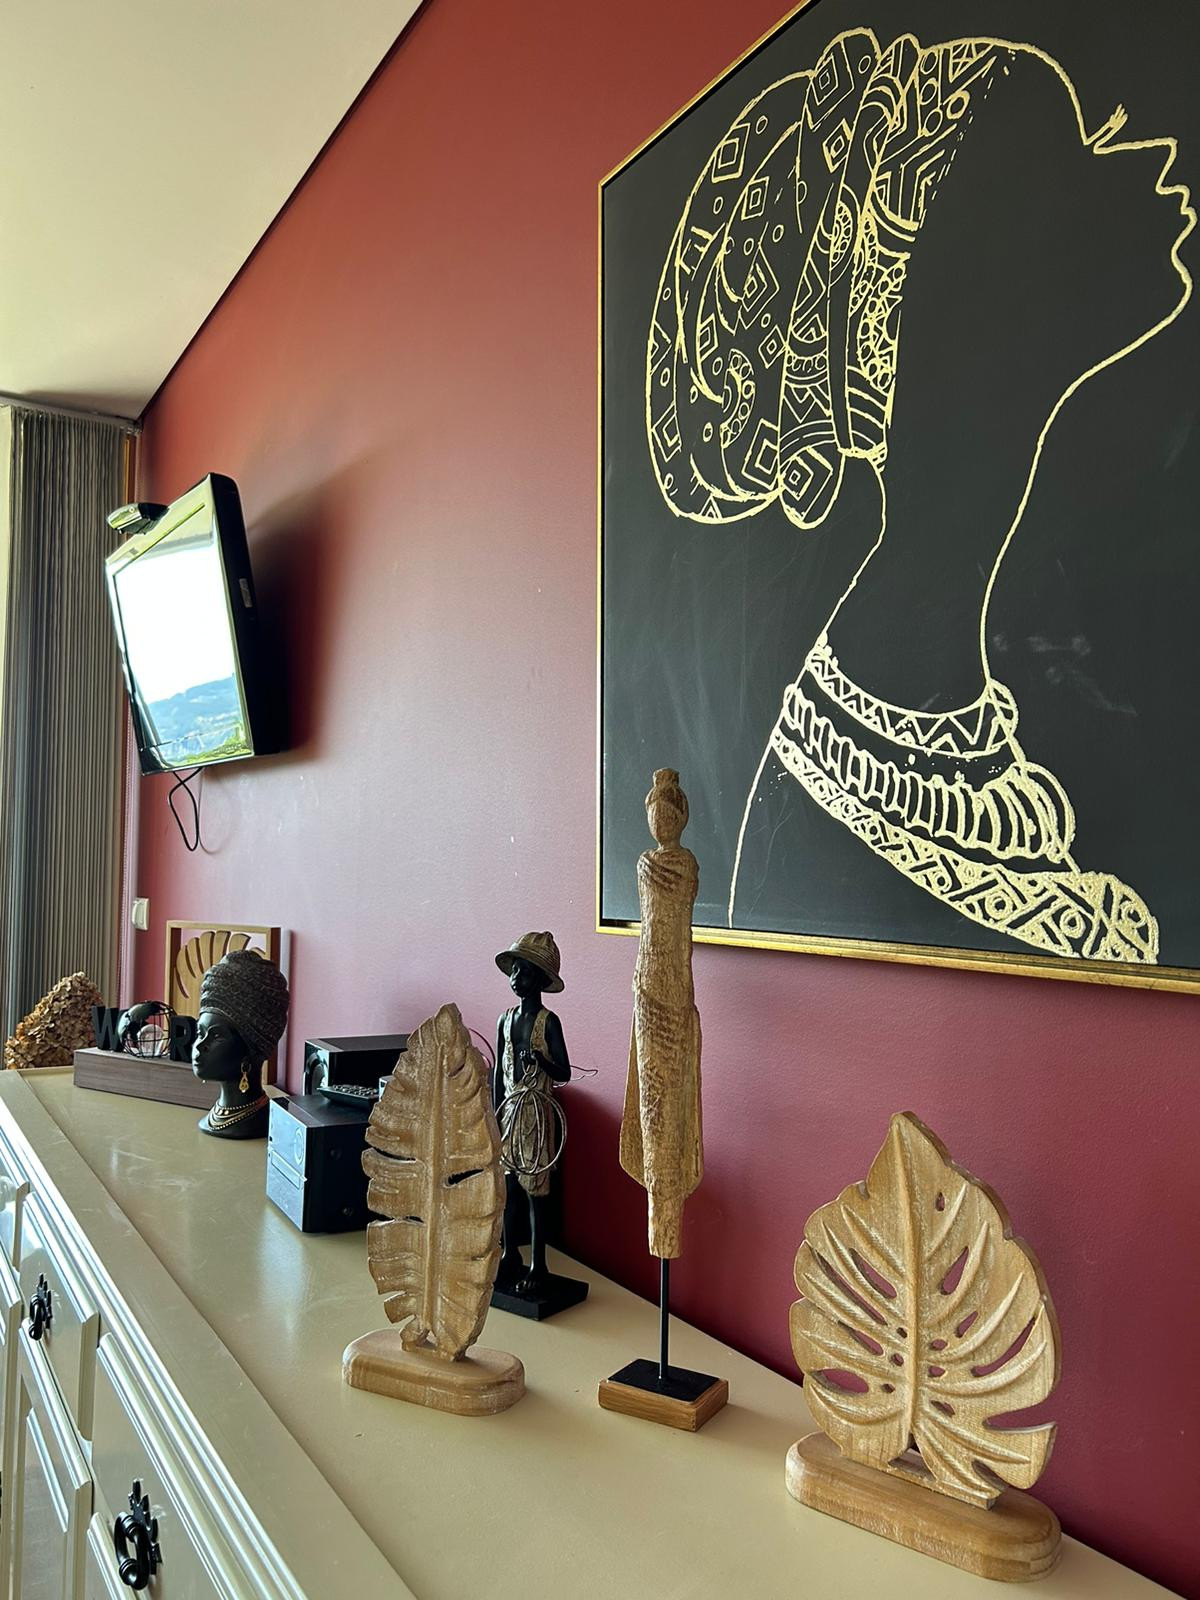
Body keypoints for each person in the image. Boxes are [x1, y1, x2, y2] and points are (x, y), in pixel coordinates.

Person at [647, 27, 1193, 963]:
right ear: (950, 308)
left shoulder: (943, 715)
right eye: (1070, 149)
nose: (1145, 153)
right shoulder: (816, 837)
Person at [620, 769, 703, 1259]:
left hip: (673, 994)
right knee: (649, 1102)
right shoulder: (643, 864)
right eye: (655, 815)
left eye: (668, 815)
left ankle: (667, 1224)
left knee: (670, 1104)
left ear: (680, 818)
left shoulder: (685, 865)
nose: (661, 823)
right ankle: (658, 1213)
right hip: (646, 987)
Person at [493, 932, 571, 1293]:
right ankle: (510, 1253)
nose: (516, 978)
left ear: (540, 979)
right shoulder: (505, 1020)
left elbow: (564, 1072)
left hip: (536, 1117)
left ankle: (539, 1264)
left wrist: (541, 1060)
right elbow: (498, 1071)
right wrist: (495, 1116)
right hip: (509, 1115)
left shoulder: (548, 1022)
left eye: (524, 972)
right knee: (508, 1188)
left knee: (536, 1192)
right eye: (514, 970)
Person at [191, 949, 288, 1139]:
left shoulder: (264, 1123)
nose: (200, 1045)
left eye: (216, 1036)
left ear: (251, 1049)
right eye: (200, 1033)